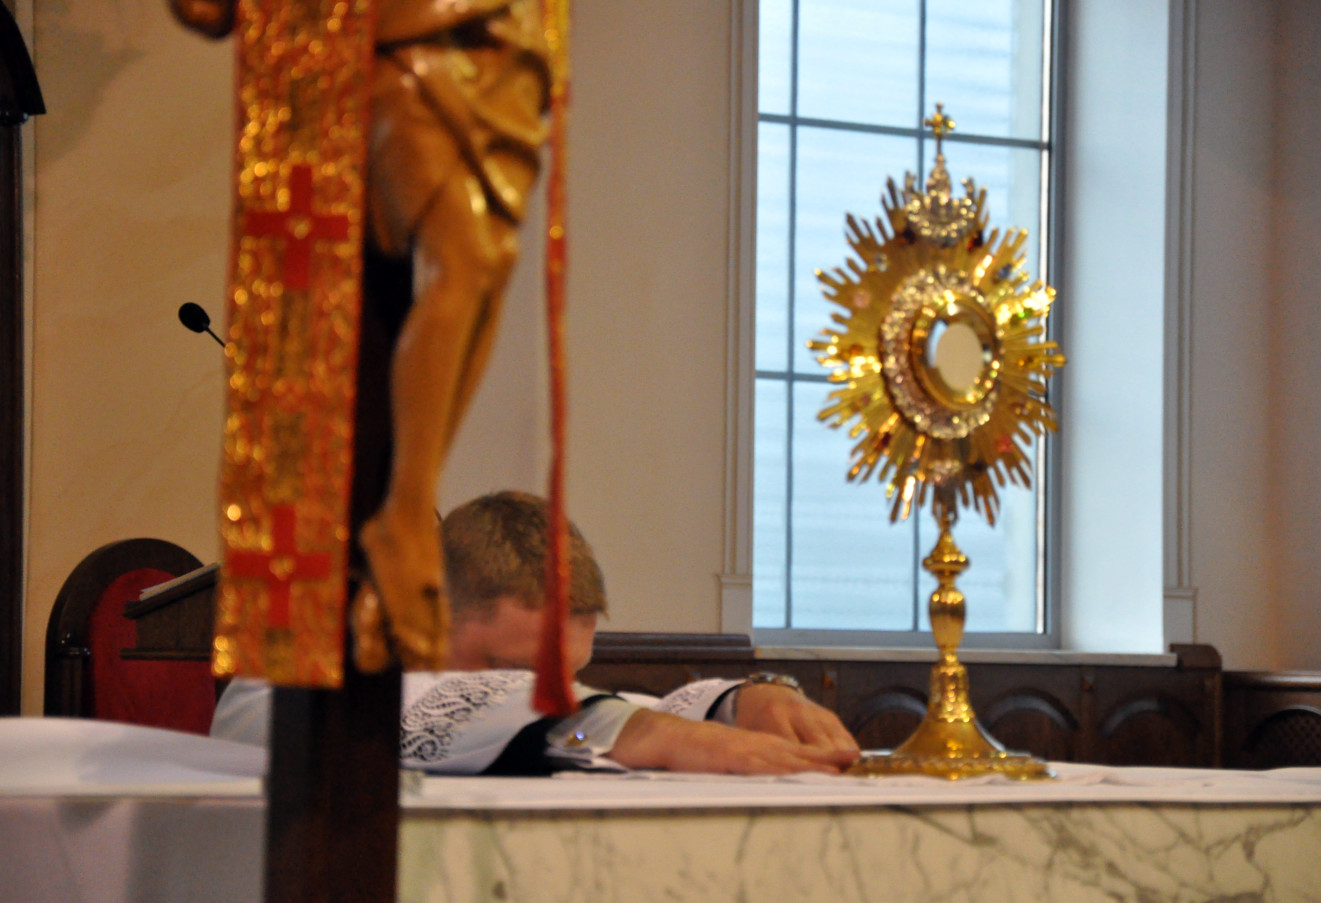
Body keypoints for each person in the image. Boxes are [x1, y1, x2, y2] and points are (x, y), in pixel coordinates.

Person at [170, 0, 555, 671]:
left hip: (498, 44)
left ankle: (405, 511)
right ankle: (405, 515)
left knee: (489, 262)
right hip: (385, 48)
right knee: (466, 258)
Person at [213, 492, 861, 775]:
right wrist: (645, 732)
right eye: (509, 668)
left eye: (566, 672)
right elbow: (468, 712)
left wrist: (738, 702)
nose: (542, 692)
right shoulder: (292, 675)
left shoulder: (547, 708)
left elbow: (619, 713)